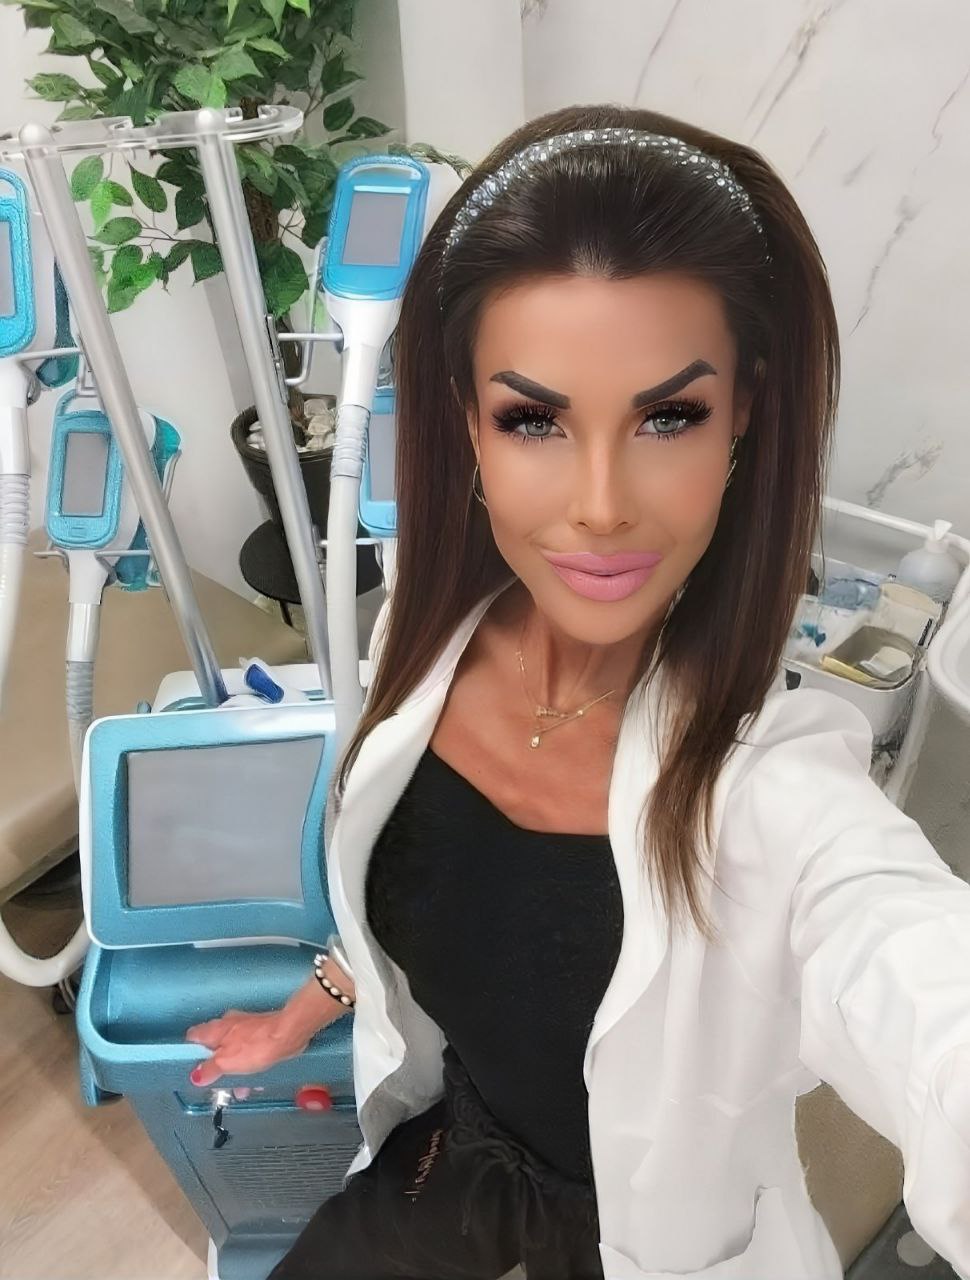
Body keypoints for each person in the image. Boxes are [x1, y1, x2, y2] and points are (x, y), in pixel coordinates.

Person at [185, 104, 970, 1280]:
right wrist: (310, 1003)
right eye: (534, 419)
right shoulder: (423, 634)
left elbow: (918, 981)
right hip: (452, 1157)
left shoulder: (778, 792)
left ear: (743, 414)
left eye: (668, 415)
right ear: (468, 421)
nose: (601, 504)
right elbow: (440, 887)